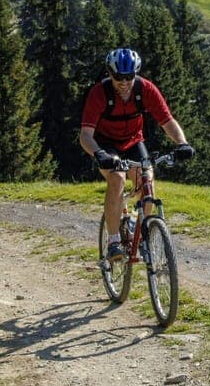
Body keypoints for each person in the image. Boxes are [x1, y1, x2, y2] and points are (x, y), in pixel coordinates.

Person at [79, 47, 194, 261]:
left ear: (136, 73)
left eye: (129, 77)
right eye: (118, 77)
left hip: (133, 141)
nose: (124, 82)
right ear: (110, 74)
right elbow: (85, 135)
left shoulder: (145, 89)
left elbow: (167, 121)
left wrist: (182, 143)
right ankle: (114, 241)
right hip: (105, 145)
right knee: (116, 179)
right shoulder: (99, 93)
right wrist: (99, 153)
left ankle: (140, 232)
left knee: (147, 181)